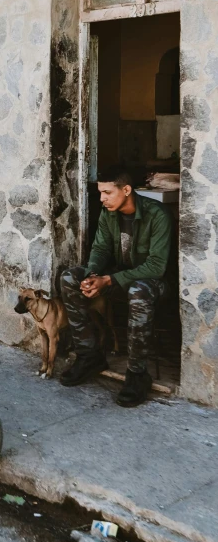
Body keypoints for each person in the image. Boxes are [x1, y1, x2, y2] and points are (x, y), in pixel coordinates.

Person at [59, 166, 173, 407]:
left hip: (152, 284)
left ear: (127, 190)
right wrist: (92, 276)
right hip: (119, 277)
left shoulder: (157, 215)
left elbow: (156, 267)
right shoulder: (108, 213)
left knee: (138, 291)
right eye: (101, 192)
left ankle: (137, 374)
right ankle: (89, 355)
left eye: (108, 192)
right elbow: (100, 249)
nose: (102, 199)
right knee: (70, 278)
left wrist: (108, 280)